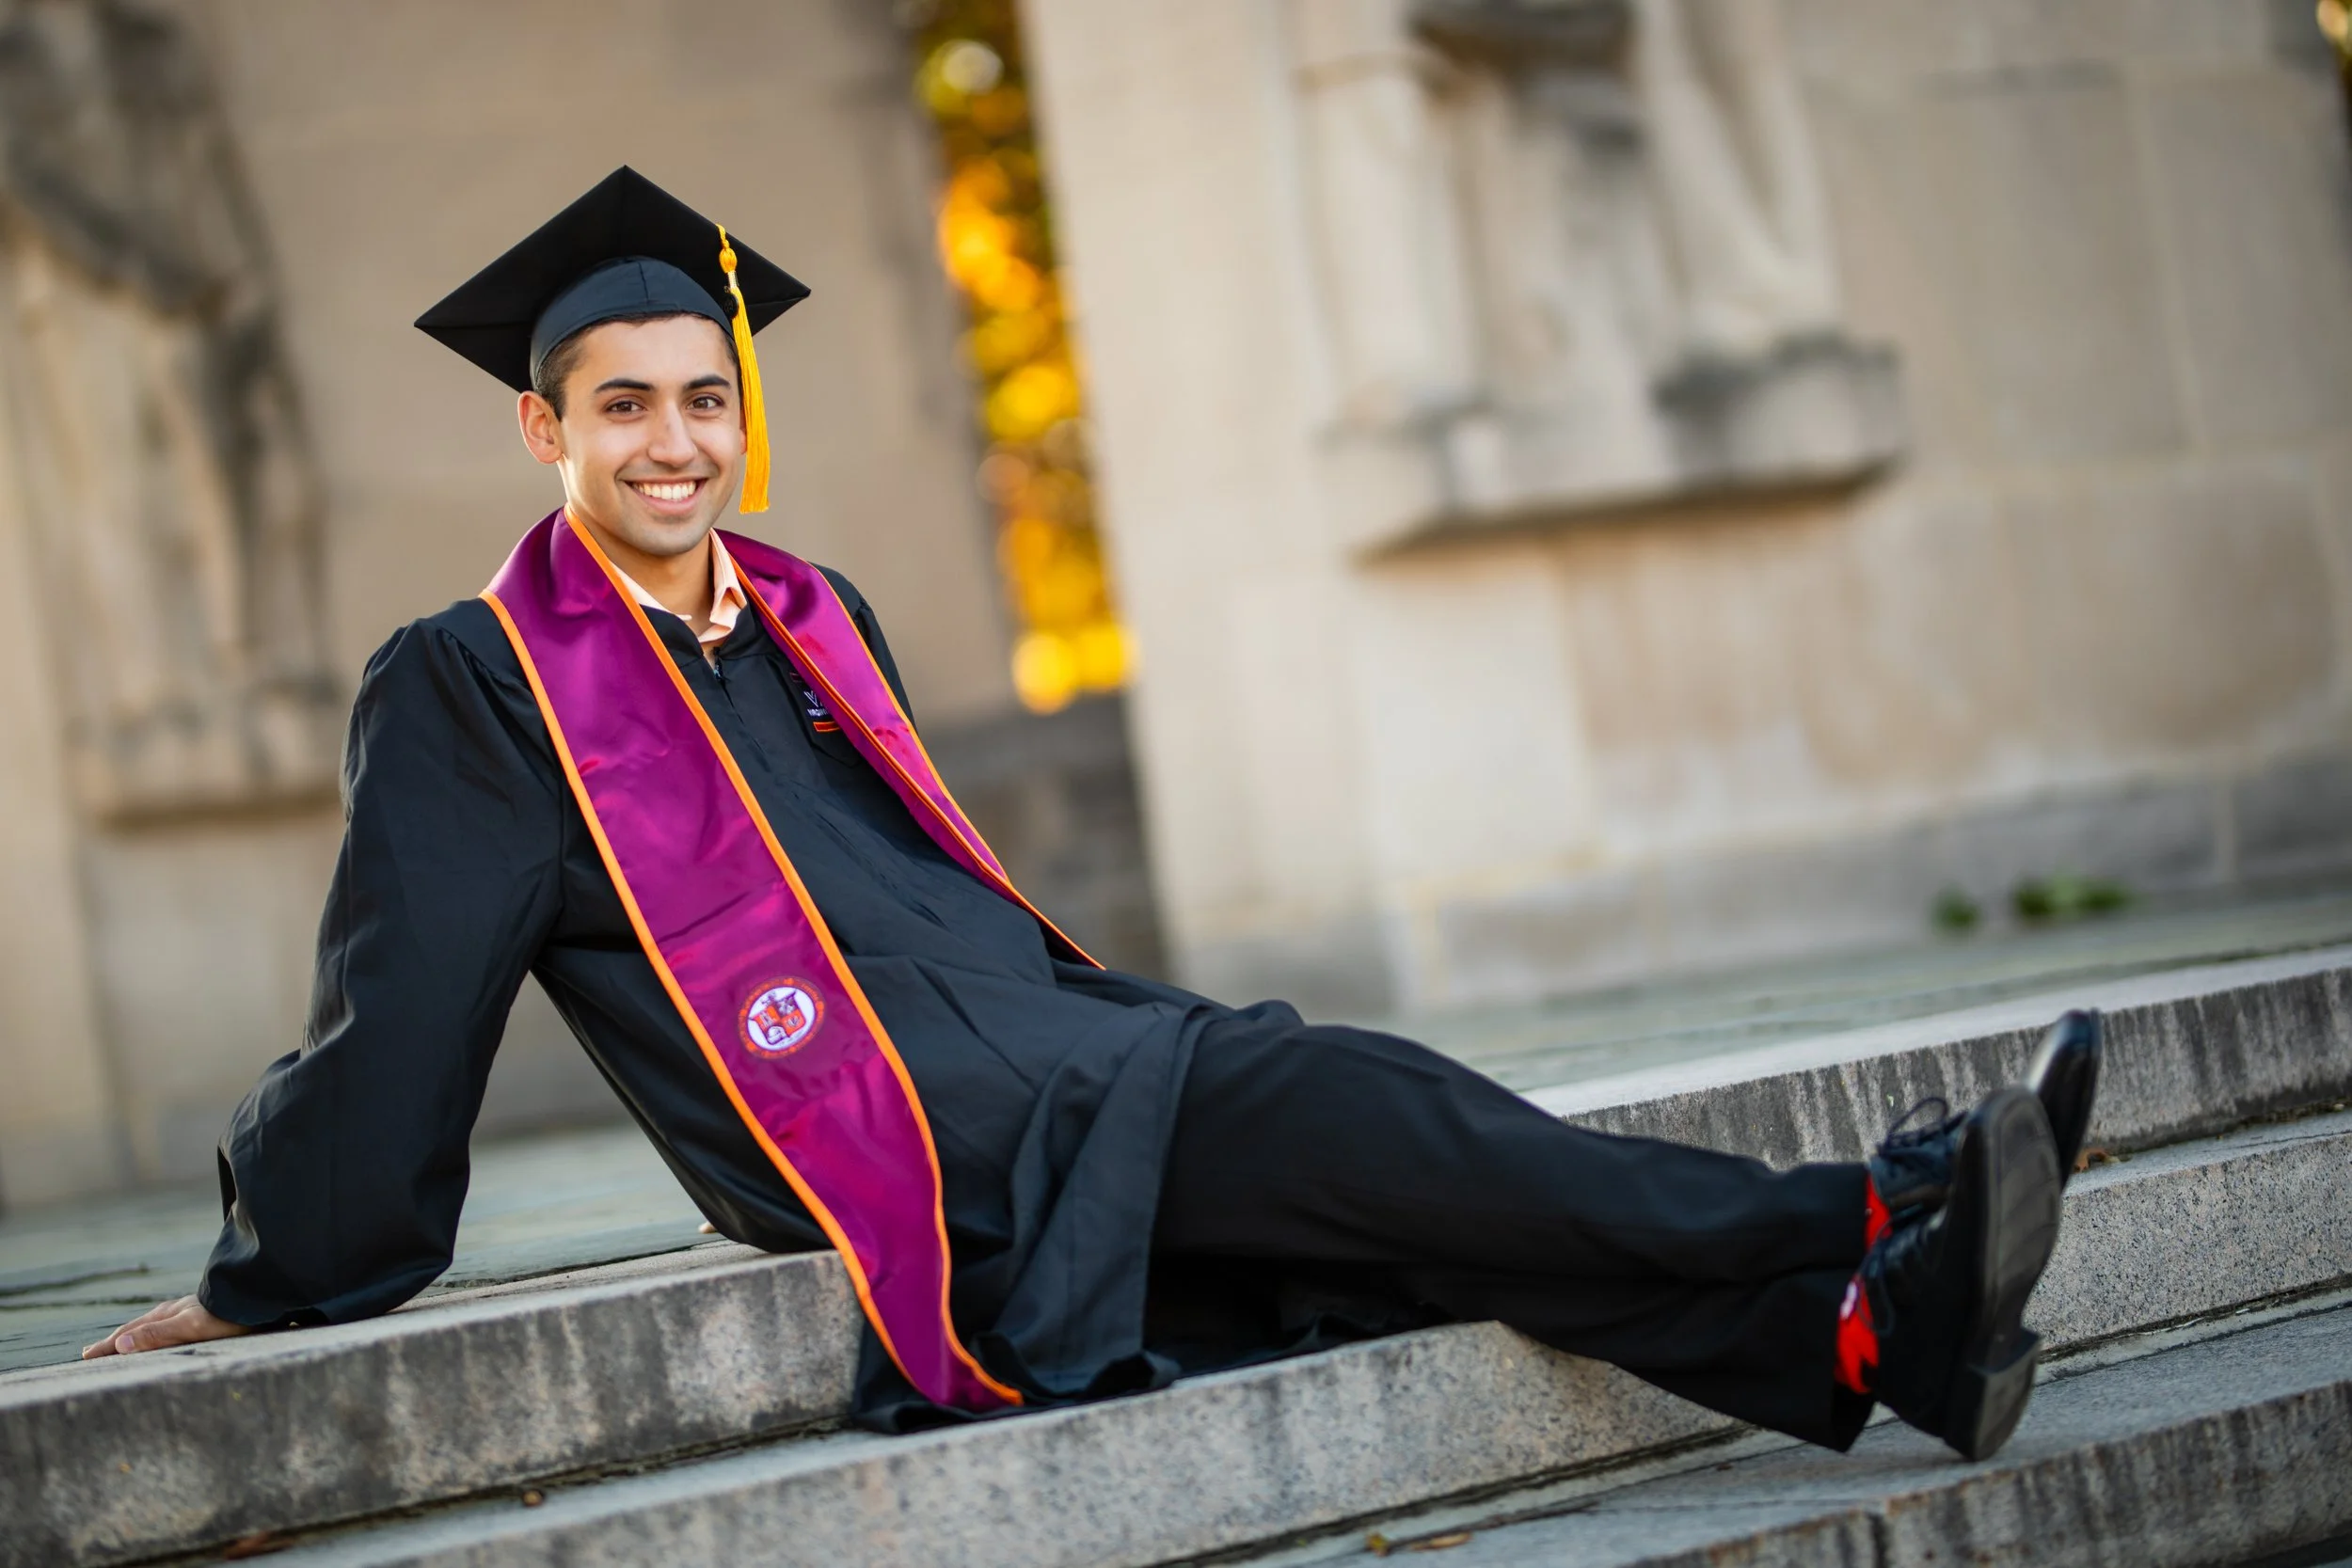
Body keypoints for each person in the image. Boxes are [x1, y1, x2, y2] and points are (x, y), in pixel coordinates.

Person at [87, 168, 2100, 1463]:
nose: (677, 441)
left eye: (704, 397)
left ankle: (1856, 1341)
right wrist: (281, 1266)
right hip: (886, 1124)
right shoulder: (476, 679)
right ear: (543, 427)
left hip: (1055, 1050)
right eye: (623, 405)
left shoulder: (807, 614)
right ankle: (1867, 1202)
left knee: (1373, 1174)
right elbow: (402, 994)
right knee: (1353, 1113)